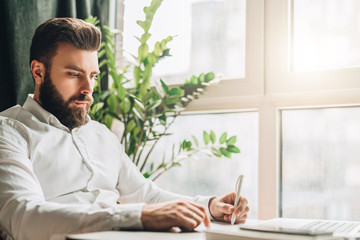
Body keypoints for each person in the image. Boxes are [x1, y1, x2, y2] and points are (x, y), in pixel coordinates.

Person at [0, 18, 249, 240]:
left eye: (93, 76)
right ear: (38, 71)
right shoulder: (10, 132)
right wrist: (137, 216)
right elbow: (23, 217)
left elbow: (146, 196)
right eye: (75, 74)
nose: (88, 88)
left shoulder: (100, 134)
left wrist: (209, 206)